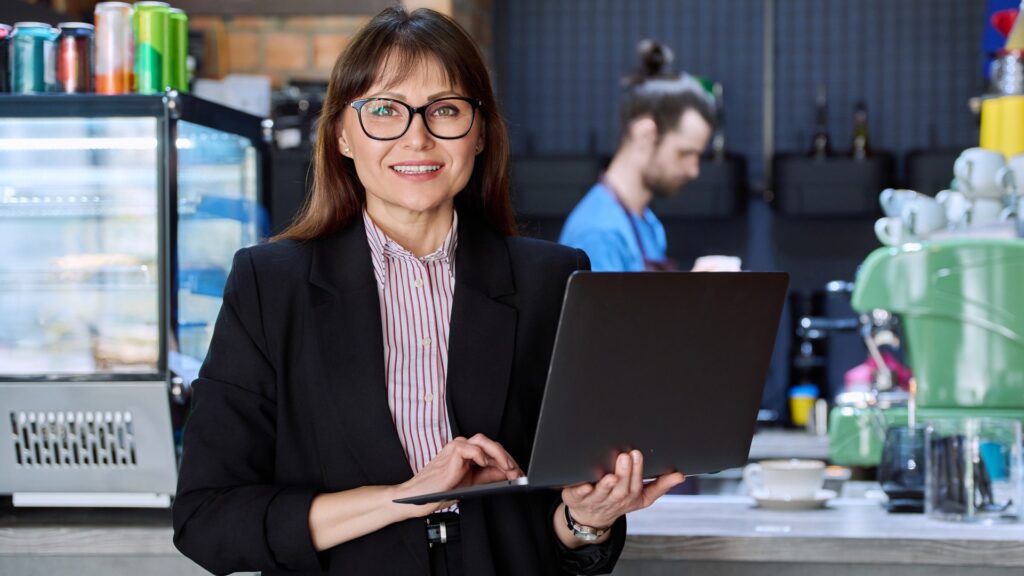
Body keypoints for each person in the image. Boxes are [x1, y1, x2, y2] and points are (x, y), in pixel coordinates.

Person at [172, 8, 684, 576]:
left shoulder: (553, 281)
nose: (417, 137)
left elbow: (557, 530)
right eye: (385, 111)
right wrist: (407, 495)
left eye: (445, 110)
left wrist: (587, 518)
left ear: (480, 132)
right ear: (342, 134)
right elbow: (209, 520)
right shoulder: (270, 286)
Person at [559, 40, 732, 272]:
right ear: (646, 134)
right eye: (685, 153)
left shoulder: (646, 221)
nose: (694, 170)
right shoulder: (599, 234)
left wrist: (694, 288)